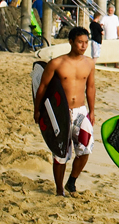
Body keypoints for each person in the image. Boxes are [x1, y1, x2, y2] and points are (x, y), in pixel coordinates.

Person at [35, 24, 96, 196]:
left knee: (85, 149)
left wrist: (92, 111)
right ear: (71, 42)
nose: (83, 46)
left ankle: (72, 181)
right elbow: (42, 87)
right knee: (60, 153)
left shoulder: (89, 63)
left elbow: (90, 87)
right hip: (61, 113)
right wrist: (37, 110)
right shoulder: (57, 63)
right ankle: (59, 189)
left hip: (80, 112)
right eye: (80, 42)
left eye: (86, 42)